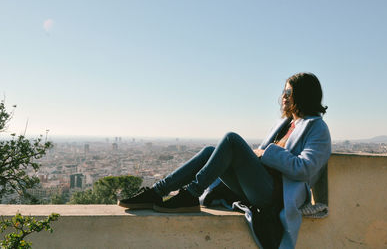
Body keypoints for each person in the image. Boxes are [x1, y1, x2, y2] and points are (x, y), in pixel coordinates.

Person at [118, 72, 331, 249]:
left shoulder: (317, 127)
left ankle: (191, 194)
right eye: (284, 91)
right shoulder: (285, 124)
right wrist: (262, 155)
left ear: (303, 95)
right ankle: (157, 192)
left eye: (289, 92)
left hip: (276, 195)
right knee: (211, 151)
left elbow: (305, 169)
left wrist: (266, 153)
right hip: (260, 185)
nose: (284, 96)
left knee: (231, 139)